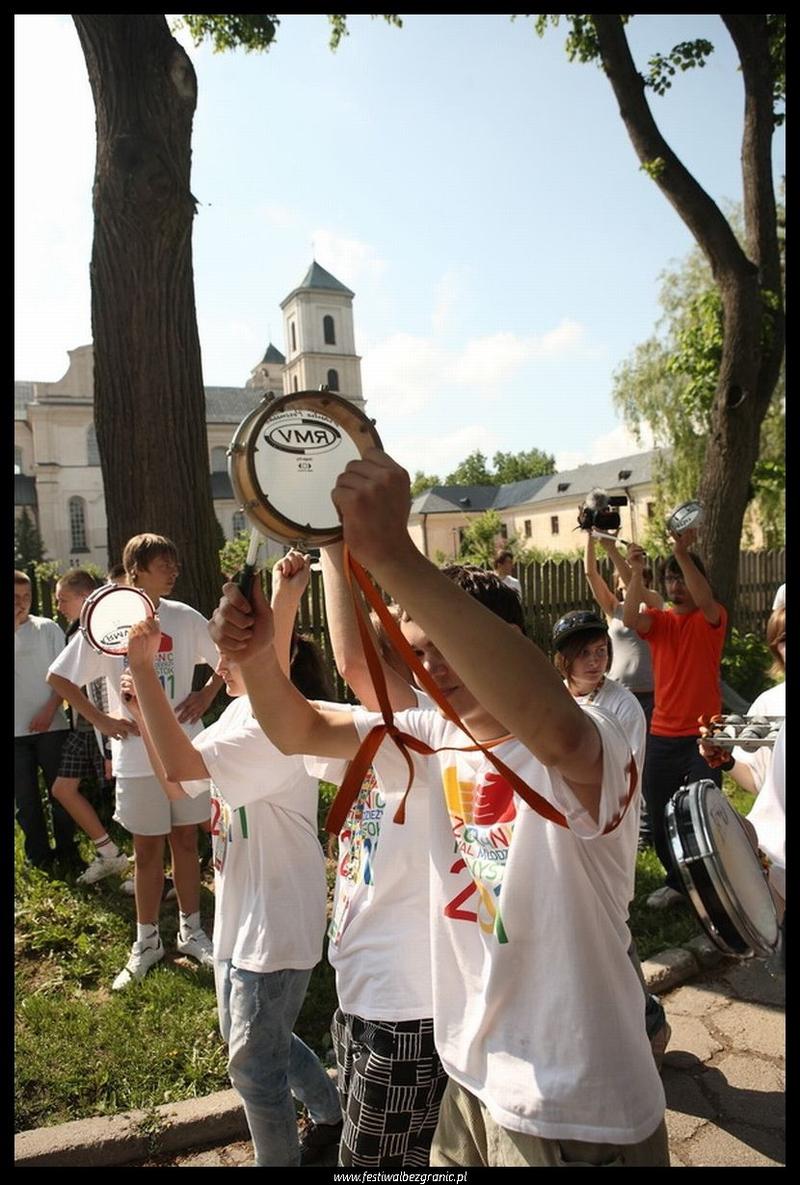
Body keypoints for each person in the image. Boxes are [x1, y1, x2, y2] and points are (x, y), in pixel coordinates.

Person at [211, 449, 669, 1168]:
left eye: (446, 645)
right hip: (470, 1080)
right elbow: (299, 727)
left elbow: (555, 735)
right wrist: (256, 655)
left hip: (577, 1103)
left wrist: (391, 554)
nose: (431, 668)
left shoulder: (597, 734)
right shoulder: (434, 735)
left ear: (508, 642)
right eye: (419, 651)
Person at [124, 556, 341, 1168]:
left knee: (253, 1070)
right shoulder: (242, 713)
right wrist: (283, 593)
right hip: (242, 920)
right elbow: (179, 784)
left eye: (232, 653)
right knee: (255, 1043)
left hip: (275, 927)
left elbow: (185, 768)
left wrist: (143, 673)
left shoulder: (269, 731)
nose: (221, 662)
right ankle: (332, 1115)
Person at [299, 543, 447, 1168]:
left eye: (410, 614)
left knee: (375, 1168)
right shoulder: (377, 730)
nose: (392, 612)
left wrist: (333, 546)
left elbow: (354, 661)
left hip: (408, 1011)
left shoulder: (430, 727)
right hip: (361, 994)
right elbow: (287, 716)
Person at [47, 534, 223, 989]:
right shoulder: (108, 619)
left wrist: (206, 694)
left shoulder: (184, 616)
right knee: (146, 851)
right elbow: (60, 677)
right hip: (136, 756)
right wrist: (102, 719)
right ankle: (147, 942)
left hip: (185, 750)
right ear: (136, 570)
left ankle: (191, 931)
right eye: (165, 564)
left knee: (187, 841)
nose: (174, 571)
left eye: (175, 563)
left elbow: (227, 658)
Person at [551, 609, 670, 1067]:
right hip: (563, 834)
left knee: (611, 931)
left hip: (605, 835)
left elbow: (617, 778)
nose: (595, 661)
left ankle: (648, 1024)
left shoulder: (622, 706)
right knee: (579, 934)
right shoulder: (555, 697)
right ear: (563, 659)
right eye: (584, 653)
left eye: (601, 651)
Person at [623, 531, 727, 910]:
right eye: (670, 579)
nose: (675, 586)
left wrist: (681, 553)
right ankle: (678, 882)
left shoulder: (712, 618)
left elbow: (705, 599)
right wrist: (636, 571)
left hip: (705, 737)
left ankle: (715, 881)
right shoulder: (660, 622)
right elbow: (629, 617)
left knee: (704, 813)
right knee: (661, 812)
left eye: (682, 578)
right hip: (663, 735)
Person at [49, 569, 129, 884]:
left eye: (63, 599)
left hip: (107, 729)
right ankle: (109, 853)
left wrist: (109, 746)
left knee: (126, 800)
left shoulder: (102, 630)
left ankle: (157, 873)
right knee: (62, 789)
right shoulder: (76, 631)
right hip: (84, 729)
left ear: (85, 597)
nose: (58, 607)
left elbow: (101, 687)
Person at [15, 570, 74, 870]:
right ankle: (38, 857)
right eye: (15, 598)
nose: (21, 603)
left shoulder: (47, 628)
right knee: (25, 801)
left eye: (26, 597)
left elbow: (65, 675)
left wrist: (51, 709)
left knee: (61, 793)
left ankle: (68, 853)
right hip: (15, 735)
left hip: (52, 727)